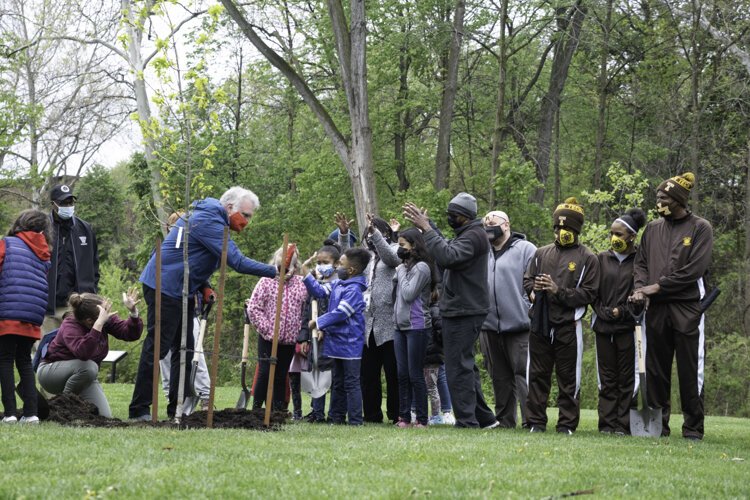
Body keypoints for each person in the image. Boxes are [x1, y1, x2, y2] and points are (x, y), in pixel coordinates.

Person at [129, 187, 277, 421]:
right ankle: (139, 409)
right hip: (165, 286)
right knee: (157, 347)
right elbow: (236, 261)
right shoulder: (208, 222)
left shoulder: (205, 217)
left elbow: (190, 257)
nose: (247, 222)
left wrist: (204, 285)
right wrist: (275, 271)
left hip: (183, 288)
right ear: (229, 208)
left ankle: (177, 407)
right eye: (246, 215)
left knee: (185, 349)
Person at [403, 193, 499, 429]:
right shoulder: (469, 234)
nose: (449, 219)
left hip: (465, 310)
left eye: (452, 215)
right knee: (465, 365)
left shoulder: (475, 236)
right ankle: (484, 418)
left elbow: (447, 256)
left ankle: (467, 421)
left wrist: (427, 229)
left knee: (458, 367)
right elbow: (447, 246)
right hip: (463, 308)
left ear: (464, 216)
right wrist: (430, 226)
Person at [630, 173, 712, 440]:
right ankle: (657, 427)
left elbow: (695, 269)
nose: (658, 202)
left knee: (690, 370)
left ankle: (692, 429)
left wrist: (658, 286)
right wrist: (640, 289)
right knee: (655, 370)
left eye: (663, 198)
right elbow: (640, 264)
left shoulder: (701, 228)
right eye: (657, 197)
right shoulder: (652, 229)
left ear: (678, 200)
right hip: (656, 310)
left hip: (687, 308)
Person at [523, 197, 599, 434]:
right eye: (557, 227)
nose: (561, 232)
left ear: (576, 229)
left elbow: (589, 293)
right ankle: (535, 421)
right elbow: (527, 279)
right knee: (537, 375)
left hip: (569, 324)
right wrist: (534, 292)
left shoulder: (588, 258)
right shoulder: (540, 253)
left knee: (569, 378)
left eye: (566, 228)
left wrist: (557, 291)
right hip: (540, 323)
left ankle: (566, 424)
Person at [336, 212, 400, 424]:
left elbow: (391, 259)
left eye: (373, 233)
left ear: (385, 235)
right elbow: (349, 259)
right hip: (367, 325)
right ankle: (372, 414)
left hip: (389, 323)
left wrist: (377, 235)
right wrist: (344, 235)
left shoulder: (395, 251)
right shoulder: (366, 258)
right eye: (367, 234)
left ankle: (396, 413)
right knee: (368, 375)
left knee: (393, 373)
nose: (370, 238)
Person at [38, 291, 143, 418]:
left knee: (104, 416)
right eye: (104, 315)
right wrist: (99, 324)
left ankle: (69, 407)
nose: (108, 317)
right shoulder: (70, 325)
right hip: (51, 374)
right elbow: (83, 353)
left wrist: (133, 313)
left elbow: (129, 334)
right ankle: (61, 406)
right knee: (89, 367)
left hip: (83, 374)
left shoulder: (102, 319)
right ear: (89, 321)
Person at [480, 210, 537, 428]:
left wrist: (527, 305)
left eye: (492, 223)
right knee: (498, 376)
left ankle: (531, 420)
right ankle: (505, 420)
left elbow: (532, 282)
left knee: (523, 374)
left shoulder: (525, 249)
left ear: (506, 225)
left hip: (519, 324)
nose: (488, 227)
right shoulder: (483, 251)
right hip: (489, 325)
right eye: (485, 223)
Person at [593, 208, 646, 434]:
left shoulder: (640, 261)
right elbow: (592, 290)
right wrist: (602, 311)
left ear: (632, 236)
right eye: (611, 234)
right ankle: (606, 424)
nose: (614, 238)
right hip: (603, 327)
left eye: (619, 234)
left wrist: (622, 312)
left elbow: (642, 292)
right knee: (607, 378)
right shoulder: (601, 259)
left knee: (627, 378)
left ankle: (623, 425)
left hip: (629, 327)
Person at [303, 248, 370, 425]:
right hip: (336, 342)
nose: (337, 267)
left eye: (341, 264)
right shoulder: (338, 284)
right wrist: (305, 273)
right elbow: (318, 291)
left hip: (350, 344)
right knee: (338, 382)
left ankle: (355, 420)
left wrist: (318, 322)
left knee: (351, 383)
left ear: (351, 270)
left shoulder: (354, 290)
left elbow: (341, 313)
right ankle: (336, 417)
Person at [0, 210, 52, 424]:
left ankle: (10, 413)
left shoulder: (7, 243)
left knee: (4, 360)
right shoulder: (43, 252)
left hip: (8, 313)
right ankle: (31, 414)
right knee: (23, 361)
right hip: (33, 315)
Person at [246, 244, 308, 412]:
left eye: (288, 268)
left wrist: (301, 334)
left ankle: (278, 410)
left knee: (281, 375)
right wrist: (268, 329)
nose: (285, 271)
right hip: (268, 337)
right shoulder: (266, 281)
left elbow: (305, 310)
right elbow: (254, 308)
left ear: (295, 267)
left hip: (289, 338)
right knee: (265, 372)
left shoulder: (301, 284)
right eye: (281, 268)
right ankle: (257, 409)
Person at [392, 228, 435, 428]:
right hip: (399, 326)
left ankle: (422, 419)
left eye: (402, 245)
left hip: (417, 326)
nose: (400, 250)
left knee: (415, 374)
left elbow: (409, 294)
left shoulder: (422, 268)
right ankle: (404, 417)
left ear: (414, 246)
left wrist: (400, 272)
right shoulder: (404, 268)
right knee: (401, 374)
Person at [43, 184, 99, 333]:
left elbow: (94, 266)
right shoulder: (42, 229)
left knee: (77, 351)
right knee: (46, 352)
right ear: (53, 204)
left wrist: (91, 294)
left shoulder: (85, 229)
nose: (68, 206)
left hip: (77, 306)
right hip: (48, 306)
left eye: (70, 202)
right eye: (63, 203)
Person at [297, 240, 341, 422]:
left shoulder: (339, 283)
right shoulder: (315, 282)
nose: (321, 266)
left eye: (325, 262)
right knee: (316, 368)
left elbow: (337, 311)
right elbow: (308, 310)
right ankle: (317, 412)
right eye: (319, 263)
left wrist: (324, 326)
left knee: (333, 376)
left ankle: (334, 414)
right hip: (315, 335)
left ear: (336, 263)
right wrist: (305, 337)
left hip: (332, 336)